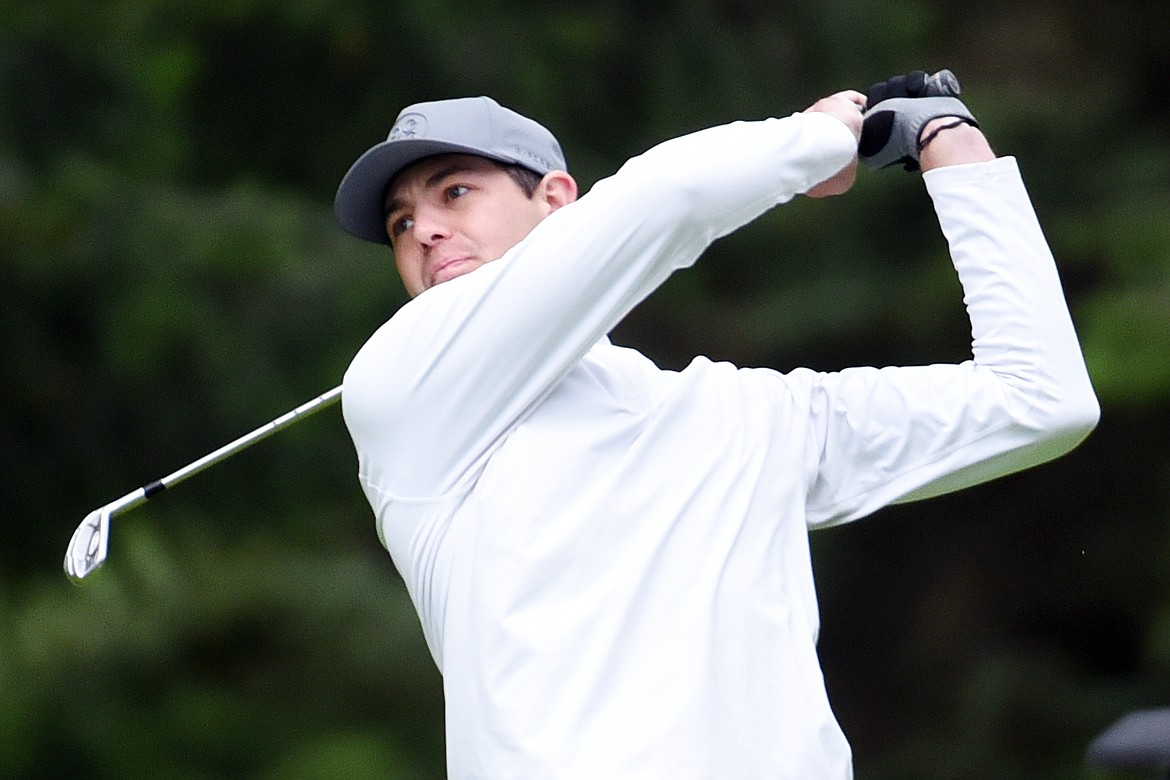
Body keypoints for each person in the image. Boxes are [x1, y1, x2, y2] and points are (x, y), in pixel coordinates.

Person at [332, 74, 1099, 779]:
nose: (424, 231)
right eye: (401, 224)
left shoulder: (748, 416)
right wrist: (816, 140)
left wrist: (955, 150)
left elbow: (1039, 398)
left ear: (558, 201)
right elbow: (672, 197)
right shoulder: (400, 390)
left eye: (455, 192)